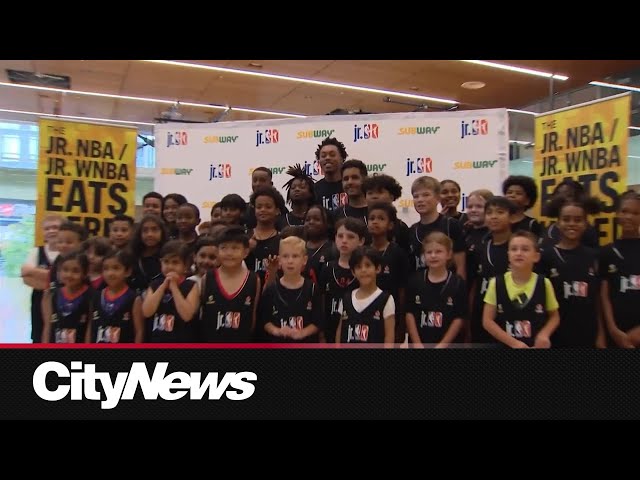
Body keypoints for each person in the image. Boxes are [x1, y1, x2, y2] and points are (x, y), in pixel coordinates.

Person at [539, 195, 603, 348]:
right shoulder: (546, 256)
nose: (572, 224)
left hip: (587, 333)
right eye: (566, 219)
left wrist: (601, 334)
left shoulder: (594, 256)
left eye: (578, 219)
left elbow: (598, 300)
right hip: (555, 334)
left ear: (586, 224)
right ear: (558, 223)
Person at [482, 231, 560, 348]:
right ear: (508, 254)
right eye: (514, 249)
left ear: (536, 256)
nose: (519, 253)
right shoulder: (496, 283)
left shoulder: (544, 283)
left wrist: (544, 334)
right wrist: (514, 343)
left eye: (525, 249)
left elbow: (554, 316)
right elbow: (487, 321)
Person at [199, 226, 260, 342]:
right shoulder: (207, 278)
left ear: (246, 252)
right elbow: (202, 315)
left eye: (235, 248)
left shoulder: (253, 279)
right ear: (217, 251)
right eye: (224, 248)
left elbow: (252, 317)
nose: (229, 253)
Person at [406, 232, 467, 348]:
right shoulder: (415, 280)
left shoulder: (458, 283)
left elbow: (459, 318)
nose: (433, 256)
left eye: (438, 251)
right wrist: (417, 343)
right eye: (429, 252)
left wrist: (442, 345)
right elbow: (410, 314)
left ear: (449, 254)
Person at [260, 236, 322, 343]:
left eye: (295, 256)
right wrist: (277, 331)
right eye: (285, 256)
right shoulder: (271, 289)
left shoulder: (312, 288)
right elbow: (265, 321)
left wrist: (302, 333)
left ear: (304, 260)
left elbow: (318, 322)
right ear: (279, 260)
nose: (290, 261)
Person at [599, 190, 640, 348]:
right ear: (617, 213)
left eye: (636, 213)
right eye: (624, 211)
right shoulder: (606, 252)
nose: (629, 216)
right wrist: (612, 330)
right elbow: (604, 297)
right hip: (616, 335)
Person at [141, 240, 200, 343]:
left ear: (185, 266)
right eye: (166, 262)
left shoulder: (191, 285)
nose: (170, 266)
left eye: (175, 262)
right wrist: (164, 286)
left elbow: (187, 316)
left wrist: (174, 287)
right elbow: (147, 312)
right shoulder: (155, 284)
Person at [336, 247, 395, 347]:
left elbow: (389, 338)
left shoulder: (386, 299)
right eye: (359, 267)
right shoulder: (346, 298)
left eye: (368, 265)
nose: (363, 270)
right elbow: (340, 332)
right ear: (353, 272)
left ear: (378, 268)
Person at [22, 214, 63, 343]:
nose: (51, 231)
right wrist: (55, 278)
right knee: (39, 336)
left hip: (63, 300)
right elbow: (26, 276)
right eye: (47, 228)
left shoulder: (68, 251)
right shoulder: (36, 251)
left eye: (55, 227)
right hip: (39, 300)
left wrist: (36, 273)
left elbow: (65, 278)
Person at [91, 250, 143, 343]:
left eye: (116, 268)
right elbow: (90, 328)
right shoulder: (96, 296)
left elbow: (139, 332)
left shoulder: (134, 298)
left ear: (127, 271)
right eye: (106, 269)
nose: (110, 273)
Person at [41, 251, 93, 343]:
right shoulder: (51, 295)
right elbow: (47, 327)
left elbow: (90, 329)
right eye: (65, 270)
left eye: (75, 271)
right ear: (59, 271)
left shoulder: (92, 296)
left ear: (85, 273)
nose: (69, 275)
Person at [314, 137, 348, 212]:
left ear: (342, 159)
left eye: (332, 155)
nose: (327, 158)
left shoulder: (350, 185)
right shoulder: (314, 190)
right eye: (323, 156)